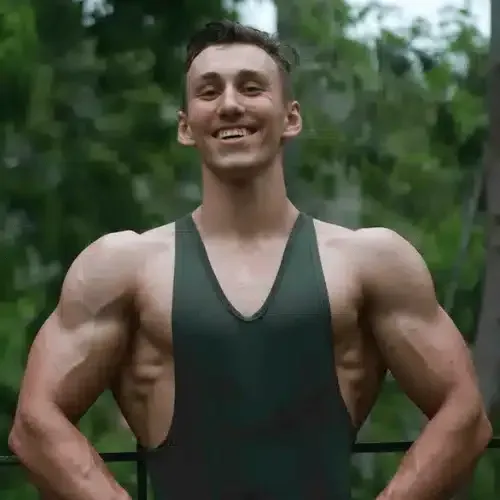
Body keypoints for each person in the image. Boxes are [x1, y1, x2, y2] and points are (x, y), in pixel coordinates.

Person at [9, 19, 491, 500]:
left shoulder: (373, 261)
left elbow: (466, 416)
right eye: (209, 91)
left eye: (252, 87)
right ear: (185, 126)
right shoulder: (120, 267)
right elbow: (34, 425)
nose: (230, 104)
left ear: (291, 118)